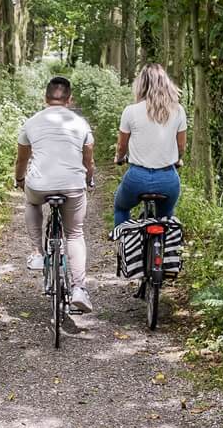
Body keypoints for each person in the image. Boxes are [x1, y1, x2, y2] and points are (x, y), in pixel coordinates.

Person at [16, 75, 95, 314]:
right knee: (74, 233)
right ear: (70, 100)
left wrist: (20, 179)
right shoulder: (81, 124)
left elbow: (21, 159)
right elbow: (88, 160)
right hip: (72, 186)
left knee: (31, 201)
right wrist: (89, 179)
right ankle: (79, 288)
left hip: (40, 185)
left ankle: (37, 253)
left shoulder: (31, 122)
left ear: (45, 98)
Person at [113, 62, 186, 228]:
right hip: (168, 179)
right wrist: (178, 159)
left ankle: (124, 247)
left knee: (120, 207)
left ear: (141, 85)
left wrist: (119, 158)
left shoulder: (130, 111)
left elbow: (121, 147)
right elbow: (181, 147)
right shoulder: (178, 110)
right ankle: (166, 250)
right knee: (165, 217)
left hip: (137, 178)